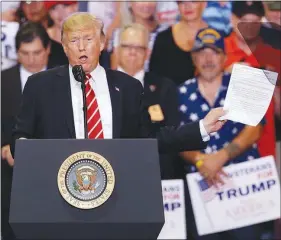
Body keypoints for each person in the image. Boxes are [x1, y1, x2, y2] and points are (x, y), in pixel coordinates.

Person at [11, 13, 226, 158]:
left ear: (103, 43)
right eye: (74, 41)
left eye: (88, 39)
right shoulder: (40, 85)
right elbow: (21, 137)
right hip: (57, 195)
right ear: (65, 47)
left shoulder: (128, 87)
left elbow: (149, 140)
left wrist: (202, 127)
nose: (82, 47)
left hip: (115, 196)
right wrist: (22, 148)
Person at [178, 27, 264, 240]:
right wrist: (200, 160)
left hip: (245, 189)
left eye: (214, 52)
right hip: (202, 189)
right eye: (201, 52)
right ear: (193, 58)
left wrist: (220, 157)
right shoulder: (178, 92)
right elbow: (175, 138)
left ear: (225, 57)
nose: (207, 59)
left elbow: (255, 129)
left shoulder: (244, 83)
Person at [1, 21, 51, 240]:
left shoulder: (67, 79)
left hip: (54, 169)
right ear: (17, 52)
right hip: (11, 175)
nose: (32, 59)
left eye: (37, 52)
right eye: (25, 53)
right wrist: (4, 147)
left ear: (48, 49)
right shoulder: (3, 82)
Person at [116, 23, 184, 179]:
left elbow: (171, 137)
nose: (133, 52)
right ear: (117, 50)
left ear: (147, 53)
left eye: (139, 48)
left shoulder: (164, 88)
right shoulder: (99, 84)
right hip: (112, 170)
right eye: (127, 46)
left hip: (154, 173)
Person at [225, 1, 281, 158]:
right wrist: (225, 75)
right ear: (232, 19)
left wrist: (275, 90)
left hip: (264, 151)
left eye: (254, 22)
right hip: (225, 149)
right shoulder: (216, 51)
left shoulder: (273, 53)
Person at [149, 1, 208, 85]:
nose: (187, 6)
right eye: (182, 2)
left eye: (193, 1)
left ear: (204, 3)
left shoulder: (218, 37)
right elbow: (153, 80)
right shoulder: (163, 38)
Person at [109, 1, 167, 71]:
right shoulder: (119, 34)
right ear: (130, 2)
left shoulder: (165, 33)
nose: (147, 4)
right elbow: (115, 71)